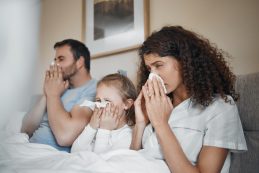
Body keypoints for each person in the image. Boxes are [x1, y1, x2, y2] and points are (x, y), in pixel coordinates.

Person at [130, 26, 247, 173]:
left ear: (184, 62)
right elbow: (132, 162)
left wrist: (161, 125)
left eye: (158, 65)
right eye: (149, 69)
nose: (152, 76)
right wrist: (140, 123)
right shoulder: (158, 105)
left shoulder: (221, 107)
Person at [21, 39, 97, 152]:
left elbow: (65, 137)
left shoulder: (94, 90)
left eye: (61, 59)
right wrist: (47, 92)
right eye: (55, 60)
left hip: (47, 154)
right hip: (27, 147)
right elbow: (25, 130)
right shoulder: (58, 87)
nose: (55, 64)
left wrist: (53, 95)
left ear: (80, 62)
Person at [71, 73, 137, 153]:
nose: (100, 106)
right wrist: (91, 127)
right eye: (98, 100)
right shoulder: (96, 127)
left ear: (126, 104)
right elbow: (74, 152)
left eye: (107, 101)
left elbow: (100, 162)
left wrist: (104, 130)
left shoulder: (127, 135)